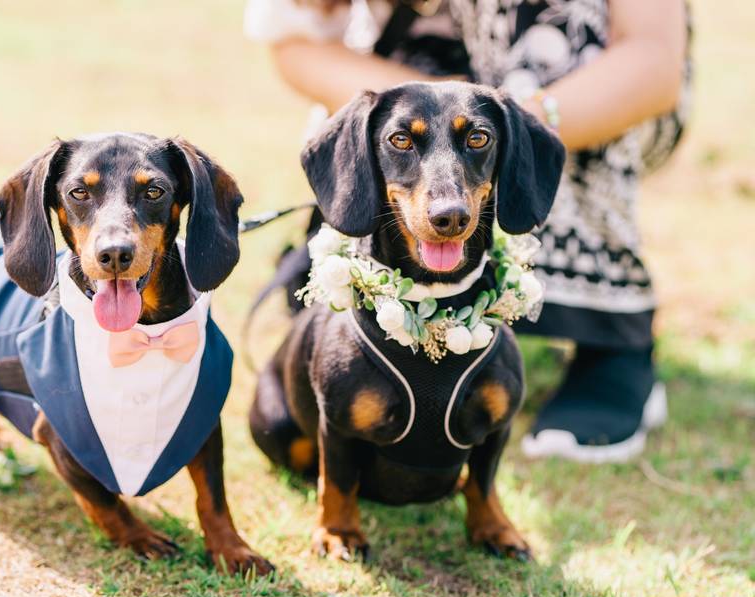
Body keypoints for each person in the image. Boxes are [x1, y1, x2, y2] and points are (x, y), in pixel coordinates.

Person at [245, 0, 691, 463]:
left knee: (549, 43)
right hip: (403, 67)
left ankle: (609, 341)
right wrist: (412, 108)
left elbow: (654, 60)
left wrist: (513, 127)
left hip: (575, 82)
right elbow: (293, 42)